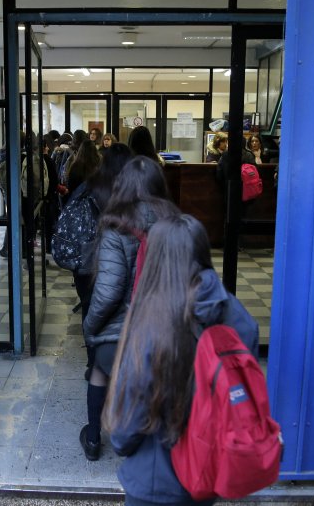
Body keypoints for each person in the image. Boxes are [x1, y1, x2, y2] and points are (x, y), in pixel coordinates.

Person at [103, 214, 259, 506]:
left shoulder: (151, 319)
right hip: (208, 471)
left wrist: (121, 442)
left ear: (155, 258)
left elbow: (129, 419)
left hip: (155, 481)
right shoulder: (237, 316)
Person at [80, 155, 180, 462]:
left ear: (121, 186)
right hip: (164, 327)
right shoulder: (175, 221)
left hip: (125, 329)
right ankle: (153, 442)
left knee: (100, 366)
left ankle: (94, 438)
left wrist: (91, 327)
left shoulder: (116, 227)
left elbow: (108, 291)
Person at [73, 143, 134, 378]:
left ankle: (94, 363)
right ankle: (122, 360)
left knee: (91, 307)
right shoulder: (131, 192)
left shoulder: (89, 187)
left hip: (88, 260)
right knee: (119, 307)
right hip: (121, 259)